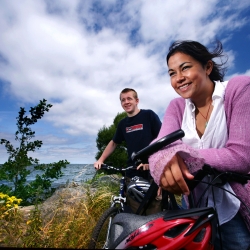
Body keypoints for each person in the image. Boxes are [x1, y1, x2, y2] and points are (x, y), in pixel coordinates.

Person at [148, 40, 250, 249]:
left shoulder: (239, 89)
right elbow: (158, 148)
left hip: (235, 205)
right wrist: (162, 166)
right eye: (172, 73)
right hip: (195, 205)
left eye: (185, 67)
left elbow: (241, 157)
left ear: (208, 67)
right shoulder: (176, 106)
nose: (179, 78)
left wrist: (180, 155)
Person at [94, 88, 162, 214]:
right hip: (132, 173)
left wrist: (154, 164)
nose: (126, 102)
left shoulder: (149, 115)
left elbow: (162, 140)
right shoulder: (122, 124)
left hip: (152, 172)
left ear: (137, 101)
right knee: (135, 213)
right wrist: (101, 159)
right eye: (123, 100)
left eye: (129, 98)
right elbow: (114, 142)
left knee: (154, 213)